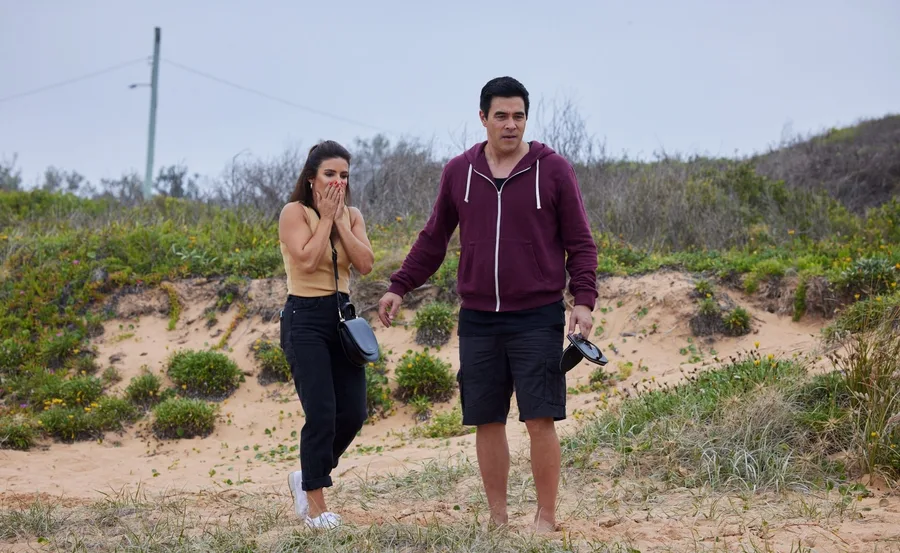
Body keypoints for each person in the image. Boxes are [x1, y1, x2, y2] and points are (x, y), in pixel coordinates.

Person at [378, 76, 598, 533]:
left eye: (518, 115)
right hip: (478, 317)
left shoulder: (552, 169)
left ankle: (545, 517)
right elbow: (434, 238)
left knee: (540, 418)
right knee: (487, 420)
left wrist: (584, 299)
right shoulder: (460, 171)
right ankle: (497, 519)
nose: (511, 124)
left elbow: (580, 241)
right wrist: (400, 285)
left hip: (537, 315)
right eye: (501, 115)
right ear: (483, 118)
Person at [278, 140, 375, 529]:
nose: (338, 181)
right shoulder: (294, 212)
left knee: (352, 413)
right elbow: (306, 258)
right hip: (304, 318)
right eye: (330, 174)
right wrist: (324, 220)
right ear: (311, 177)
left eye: (344, 175)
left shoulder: (351, 216)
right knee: (321, 414)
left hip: (343, 318)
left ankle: (306, 476)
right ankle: (315, 508)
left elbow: (365, 263)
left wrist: (339, 222)